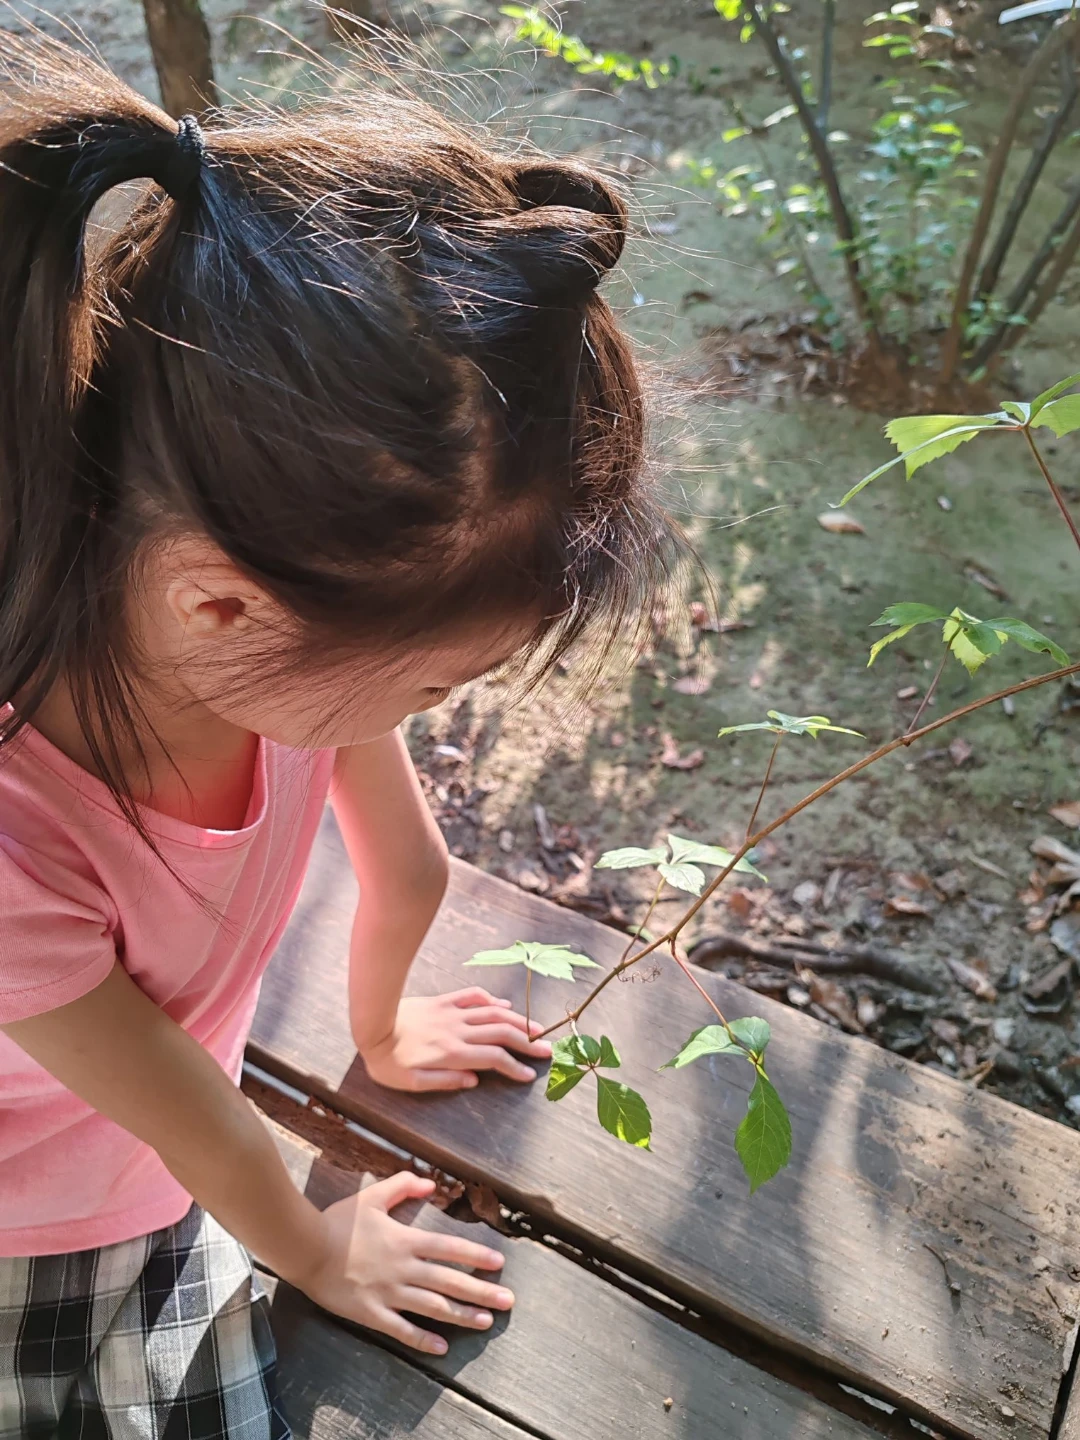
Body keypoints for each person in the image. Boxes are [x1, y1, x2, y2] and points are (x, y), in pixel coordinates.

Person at [0, 27, 671, 1440]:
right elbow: (200, 1131)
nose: (439, 716)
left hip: (164, 1147)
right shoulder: (20, 829)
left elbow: (410, 867)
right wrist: (320, 1249)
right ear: (229, 607)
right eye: (432, 690)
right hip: (44, 1221)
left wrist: (384, 1027)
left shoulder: (268, 640)